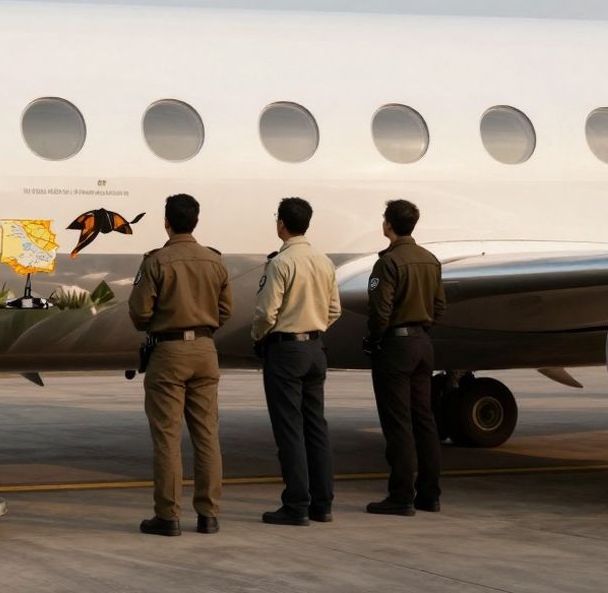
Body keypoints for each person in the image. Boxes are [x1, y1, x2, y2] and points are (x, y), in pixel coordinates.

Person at [129, 193, 232, 537]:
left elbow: (140, 312)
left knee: (168, 437)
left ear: (166, 222)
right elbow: (225, 310)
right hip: (206, 351)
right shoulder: (214, 260)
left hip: (169, 353)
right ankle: (209, 515)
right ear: (196, 222)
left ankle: (168, 516)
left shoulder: (157, 261)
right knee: (207, 435)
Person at [252, 197, 341, 526]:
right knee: (316, 427)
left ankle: (296, 504)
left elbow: (265, 313)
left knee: (290, 430)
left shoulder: (281, 263)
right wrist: (313, 327)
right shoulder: (324, 261)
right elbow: (335, 310)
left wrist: (259, 337)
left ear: (281, 224)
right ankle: (323, 503)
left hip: (286, 351)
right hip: (315, 349)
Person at [363, 199, 447, 516]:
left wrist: (374, 339)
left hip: (396, 348)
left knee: (398, 424)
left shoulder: (388, 263)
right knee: (424, 421)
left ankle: (400, 495)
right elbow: (439, 306)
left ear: (388, 225)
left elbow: (380, 312)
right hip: (423, 344)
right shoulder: (430, 260)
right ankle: (430, 494)